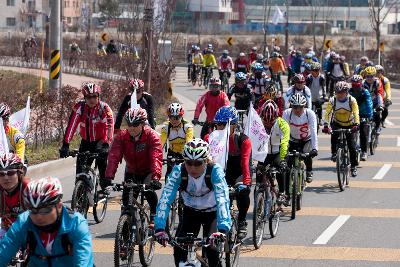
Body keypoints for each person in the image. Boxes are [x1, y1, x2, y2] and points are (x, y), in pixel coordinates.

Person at [154, 138, 231, 267]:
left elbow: (222, 199)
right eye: (188, 163)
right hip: (191, 212)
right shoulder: (179, 171)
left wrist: (223, 229)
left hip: (212, 213)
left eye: (198, 163)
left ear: (206, 161)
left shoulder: (214, 171)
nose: (192, 167)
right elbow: (165, 198)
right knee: (179, 248)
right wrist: (160, 228)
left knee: (212, 251)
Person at [0, 176, 94, 266]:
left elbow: (83, 262)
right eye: (33, 211)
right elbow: (3, 253)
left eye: (45, 210)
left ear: (59, 206)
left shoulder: (76, 224)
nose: (39, 217)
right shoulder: (23, 222)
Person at [106, 107, 162, 225]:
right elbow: (114, 157)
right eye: (129, 124)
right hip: (131, 171)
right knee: (127, 201)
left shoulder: (151, 136)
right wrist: (108, 177)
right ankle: (126, 225)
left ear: (142, 124)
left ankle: (153, 215)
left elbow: (155, 157)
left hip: (148, 171)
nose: (131, 127)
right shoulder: (121, 136)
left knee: (149, 191)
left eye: (135, 124)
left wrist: (155, 178)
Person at [59, 82, 113, 190]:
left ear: (98, 96)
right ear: (85, 98)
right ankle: (80, 192)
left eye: (94, 96)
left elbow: (109, 127)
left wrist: (106, 144)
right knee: (80, 172)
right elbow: (71, 126)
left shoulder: (105, 109)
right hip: (86, 142)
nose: (91, 99)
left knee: (102, 162)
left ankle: (105, 185)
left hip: (100, 141)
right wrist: (65, 144)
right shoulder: (80, 107)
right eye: (88, 97)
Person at [209, 106, 252, 239]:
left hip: (239, 173)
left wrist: (246, 182)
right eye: (218, 124)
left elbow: (245, 162)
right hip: (222, 174)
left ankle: (241, 221)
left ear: (234, 125)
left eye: (224, 124)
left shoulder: (243, 140)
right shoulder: (211, 138)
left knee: (242, 194)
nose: (220, 127)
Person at [323, 81, 360, 177]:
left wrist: (356, 124)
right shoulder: (332, 100)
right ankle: (334, 153)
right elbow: (327, 113)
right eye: (337, 92)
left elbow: (356, 113)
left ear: (346, 92)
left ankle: (353, 167)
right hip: (337, 123)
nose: (339, 94)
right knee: (333, 136)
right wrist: (326, 125)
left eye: (342, 92)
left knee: (352, 147)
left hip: (350, 124)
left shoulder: (352, 100)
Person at [259, 100, 290, 205]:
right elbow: (251, 142)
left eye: (271, 122)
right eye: (265, 122)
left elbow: (285, 143)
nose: (268, 125)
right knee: (259, 172)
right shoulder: (257, 123)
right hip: (264, 153)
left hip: (278, 151)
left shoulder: (283, 124)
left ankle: (282, 192)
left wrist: (282, 159)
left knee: (281, 169)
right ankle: (260, 196)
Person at [283, 94, 318, 182]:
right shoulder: (287, 113)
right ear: (291, 106)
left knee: (307, 155)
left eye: (300, 107)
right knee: (288, 162)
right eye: (295, 107)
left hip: (307, 140)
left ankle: (309, 171)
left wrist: (314, 149)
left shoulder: (309, 113)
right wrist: (283, 147)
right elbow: (283, 132)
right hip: (292, 140)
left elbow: (314, 131)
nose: (298, 110)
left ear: (304, 106)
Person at [0, 153, 28, 240]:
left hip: (28, 230)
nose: (6, 178)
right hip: (7, 229)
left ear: (19, 173)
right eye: (1, 174)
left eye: (10, 173)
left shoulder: (29, 188)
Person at [161, 103, 194, 177]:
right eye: (171, 117)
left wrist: (187, 155)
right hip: (172, 153)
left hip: (184, 153)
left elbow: (189, 143)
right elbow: (161, 143)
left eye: (177, 117)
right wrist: (157, 155)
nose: (174, 120)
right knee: (169, 175)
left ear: (181, 116)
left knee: (186, 175)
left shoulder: (187, 127)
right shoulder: (166, 127)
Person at [349, 75, 373, 161]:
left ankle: (364, 151)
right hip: (352, 114)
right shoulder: (349, 92)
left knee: (363, 132)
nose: (355, 87)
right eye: (354, 85)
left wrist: (370, 115)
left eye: (357, 85)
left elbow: (369, 103)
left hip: (364, 114)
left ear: (361, 84)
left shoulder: (365, 92)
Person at [362, 66, 384, 130]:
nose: (369, 78)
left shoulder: (378, 82)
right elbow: (360, 95)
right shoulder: (362, 83)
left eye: (371, 76)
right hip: (366, 101)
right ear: (365, 76)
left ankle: (377, 127)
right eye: (367, 76)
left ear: (375, 76)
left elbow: (380, 94)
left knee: (377, 114)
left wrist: (380, 105)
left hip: (375, 101)